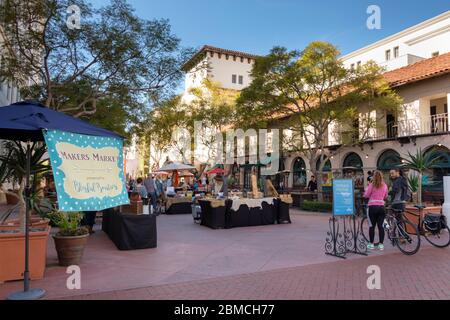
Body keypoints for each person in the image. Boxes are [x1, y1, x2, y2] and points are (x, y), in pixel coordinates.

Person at [364, 171, 388, 250]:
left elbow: (366, 195)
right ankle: (381, 245)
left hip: (372, 207)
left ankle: (371, 244)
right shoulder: (384, 185)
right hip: (381, 207)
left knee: (372, 226)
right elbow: (385, 196)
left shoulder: (371, 185)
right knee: (381, 226)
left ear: (373, 177)